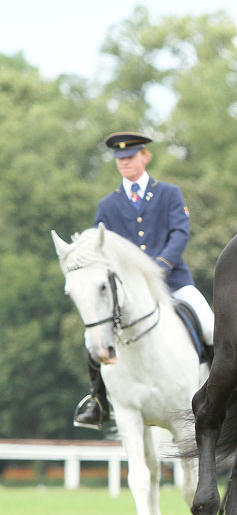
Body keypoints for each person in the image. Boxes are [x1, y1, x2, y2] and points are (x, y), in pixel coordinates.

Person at [73, 131, 215, 430]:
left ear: (144, 157)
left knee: (211, 326)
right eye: (120, 159)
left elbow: (180, 233)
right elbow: (101, 250)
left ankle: (219, 395)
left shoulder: (168, 194)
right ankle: (98, 401)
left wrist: (161, 265)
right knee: (95, 337)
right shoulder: (107, 205)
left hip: (173, 280)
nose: (124, 163)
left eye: (130, 157)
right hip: (127, 293)